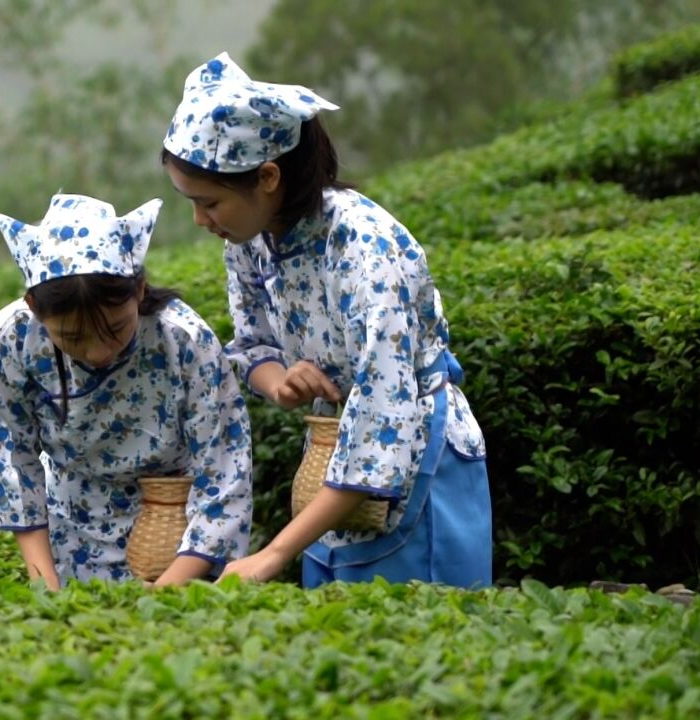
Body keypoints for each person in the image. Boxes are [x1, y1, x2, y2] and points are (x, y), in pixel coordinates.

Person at [161, 52, 492, 588]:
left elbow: (383, 414)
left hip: (413, 463)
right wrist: (281, 383)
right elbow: (252, 343)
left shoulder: (364, 248)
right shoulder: (252, 237)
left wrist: (274, 553)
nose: (200, 220)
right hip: (330, 465)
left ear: (267, 177)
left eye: (210, 203)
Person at [0, 192, 253, 588]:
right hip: (70, 528)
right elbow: (13, 461)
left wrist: (168, 588)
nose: (98, 352)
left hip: (178, 532)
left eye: (115, 330)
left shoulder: (183, 341)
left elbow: (225, 471)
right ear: (35, 309)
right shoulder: (13, 339)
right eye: (72, 337)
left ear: (139, 291)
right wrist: (46, 586)